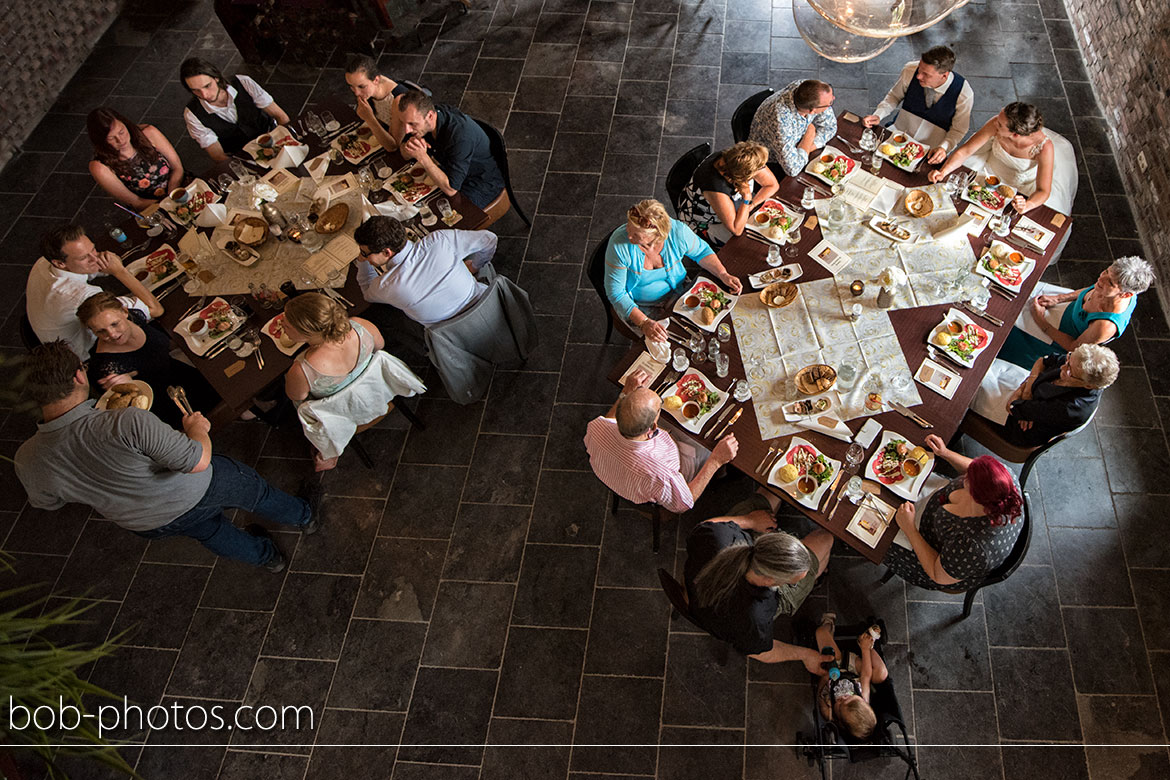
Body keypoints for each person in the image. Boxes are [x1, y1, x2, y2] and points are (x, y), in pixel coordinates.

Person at [13, 341, 319, 572]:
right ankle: (304, 517)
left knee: (212, 532)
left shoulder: (26, 459)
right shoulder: (126, 420)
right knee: (255, 492)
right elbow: (196, 460)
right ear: (79, 376)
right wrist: (197, 428)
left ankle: (268, 559)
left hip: (147, 522)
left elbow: (49, 502)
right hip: (197, 487)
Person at [684, 489, 834, 670]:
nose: (792, 584)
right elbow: (761, 652)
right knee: (826, 538)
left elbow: (704, 526)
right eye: (790, 582)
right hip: (725, 613)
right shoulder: (756, 617)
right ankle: (818, 573)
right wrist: (806, 654)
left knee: (774, 490)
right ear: (770, 581)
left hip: (703, 589)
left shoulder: (718, 538)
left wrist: (750, 521)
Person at [584, 369, 738, 514]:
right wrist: (716, 460)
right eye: (660, 409)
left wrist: (626, 392)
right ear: (653, 427)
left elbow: (610, 420)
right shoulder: (662, 475)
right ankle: (720, 475)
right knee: (708, 442)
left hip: (616, 473)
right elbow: (684, 504)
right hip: (662, 473)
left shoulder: (596, 426)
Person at [883, 437, 1023, 591]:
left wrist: (910, 529)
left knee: (879, 536)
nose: (966, 476)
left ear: (977, 497)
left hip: (930, 555)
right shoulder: (1003, 478)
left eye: (969, 480)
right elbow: (973, 467)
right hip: (930, 502)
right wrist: (945, 453)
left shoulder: (974, 547)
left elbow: (937, 574)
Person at [604, 199, 741, 344]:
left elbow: (701, 252)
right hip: (641, 306)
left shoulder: (677, 232)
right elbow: (616, 293)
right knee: (666, 345)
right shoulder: (619, 245)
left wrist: (722, 274)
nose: (629, 236)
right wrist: (644, 322)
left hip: (680, 292)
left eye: (636, 235)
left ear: (656, 234)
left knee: (708, 329)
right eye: (628, 228)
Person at [77, 292, 219, 430]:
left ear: (125, 312)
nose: (112, 334)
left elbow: (157, 311)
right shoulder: (105, 366)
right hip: (166, 402)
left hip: (182, 374)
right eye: (101, 331)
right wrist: (130, 385)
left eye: (114, 324)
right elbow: (124, 411)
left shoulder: (135, 316)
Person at [281, 293, 386, 470]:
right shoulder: (361, 325)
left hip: (344, 414)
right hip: (377, 391)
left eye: (287, 324)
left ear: (305, 333)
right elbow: (380, 346)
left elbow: (295, 395)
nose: (282, 325)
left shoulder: (302, 369)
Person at [25, 224, 161, 357]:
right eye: (84, 257)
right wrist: (120, 271)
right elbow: (154, 309)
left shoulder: (43, 262)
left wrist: (107, 263)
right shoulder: (82, 296)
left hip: (48, 329)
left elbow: (101, 267)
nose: (95, 258)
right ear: (60, 263)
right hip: (85, 353)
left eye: (93, 249)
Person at [997, 256, 1154, 368]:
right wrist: (1059, 298)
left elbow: (1073, 347)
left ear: (1126, 294)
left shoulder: (1105, 326)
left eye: (1110, 282)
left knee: (1004, 326)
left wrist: (1041, 321)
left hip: (1058, 336)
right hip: (1066, 309)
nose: (1101, 279)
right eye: (1106, 271)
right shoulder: (1106, 287)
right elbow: (1091, 289)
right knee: (1016, 289)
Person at [352, 215, 496, 334]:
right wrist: (475, 266)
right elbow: (489, 239)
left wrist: (362, 261)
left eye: (365, 253)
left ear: (386, 252)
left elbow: (367, 291)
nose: (364, 256)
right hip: (488, 306)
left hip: (452, 335)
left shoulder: (386, 285)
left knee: (393, 318)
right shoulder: (439, 240)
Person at [928, 102, 1077, 215]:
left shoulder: (1044, 147)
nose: (994, 123)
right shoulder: (995, 123)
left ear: (1015, 135)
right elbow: (966, 151)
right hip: (987, 173)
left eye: (1000, 124)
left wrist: (1027, 205)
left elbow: (1043, 190)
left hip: (1020, 186)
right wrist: (943, 171)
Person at [970, 344, 1117, 448]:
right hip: (1026, 396)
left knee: (968, 386)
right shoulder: (1076, 363)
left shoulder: (1071, 408)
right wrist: (1027, 391)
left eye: (1069, 371)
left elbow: (1012, 406)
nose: (1062, 367)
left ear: (1088, 385)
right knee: (979, 361)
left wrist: (1024, 394)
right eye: (1068, 360)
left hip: (1018, 427)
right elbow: (1043, 360)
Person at [396, 90, 505, 212]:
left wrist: (422, 157)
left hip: (482, 183)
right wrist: (409, 147)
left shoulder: (460, 136)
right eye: (403, 123)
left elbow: (451, 189)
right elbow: (404, 152)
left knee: (440, 213)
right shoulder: (425, 122)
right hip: (452, 170)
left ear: (430, 116)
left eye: (412, 124)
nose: (406, 130)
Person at [863, 45, 974, 165]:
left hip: (931, 150)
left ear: (944, 75)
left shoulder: (964, 94)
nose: (918, 76)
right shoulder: (910, 70)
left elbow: (958, 130)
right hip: (898, 135)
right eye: (920, 69)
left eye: (926, 74)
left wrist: (944, 148)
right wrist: (879, 115)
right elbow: (894, 96)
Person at [180, 57, 289, 161]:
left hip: (272, 138)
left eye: (207, 86)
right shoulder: (192, 114)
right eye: (196, 90)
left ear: (216, 78)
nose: (204, 95)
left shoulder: (243, 82)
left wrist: (285, 143)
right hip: (241, 156)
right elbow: (218, 156)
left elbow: (281, 116)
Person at [677, 141, 780, 247]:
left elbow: (772, 185)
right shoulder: (716, 188)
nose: (763, 168)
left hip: (734, 209)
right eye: (761, 168)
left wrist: (751, 205)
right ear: (744, 174)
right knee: (750, 245)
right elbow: (736, 230)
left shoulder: (741, 160)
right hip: (703, 222)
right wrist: (747, 198)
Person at [86, 107, 185, 209]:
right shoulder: (100, 167)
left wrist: (173, 194)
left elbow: (177, 167)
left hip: (179, 188)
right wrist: (168, 205)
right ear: (102, 142)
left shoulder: (148, 133)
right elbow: (135, 202)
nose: (120, 140)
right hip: (151, 207)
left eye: (121, 132)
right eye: (111, 138)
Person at [815, 615, 886, 739]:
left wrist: (825, 678)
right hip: (852, 667)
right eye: (850, 697)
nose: (843, 697)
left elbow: (819, 693)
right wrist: (865, 649)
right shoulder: (863, 697)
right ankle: (867, 641)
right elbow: (866, 675)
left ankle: (828, 624)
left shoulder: (829, 712)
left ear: (841, 721)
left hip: (833, 669)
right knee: (881, 674)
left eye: (841, 702)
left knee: (820, 632)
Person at [748, 79, 837, 177]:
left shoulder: (808, 88)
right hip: (768, 160)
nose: (834, 98)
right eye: (830, 102)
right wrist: (809, 134)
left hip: (795, 146)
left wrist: (807, 147)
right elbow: (793, 169)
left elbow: (830, 127)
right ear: (812, 111)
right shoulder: (780, 121)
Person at [344, 54, 424, 153]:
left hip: (412, 147)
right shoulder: (370, 90)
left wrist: (370, 119)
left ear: (376, 80)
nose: (356, 93)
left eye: (361, 86)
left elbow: (393, 147)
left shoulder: (398, 100)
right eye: (351, 86)